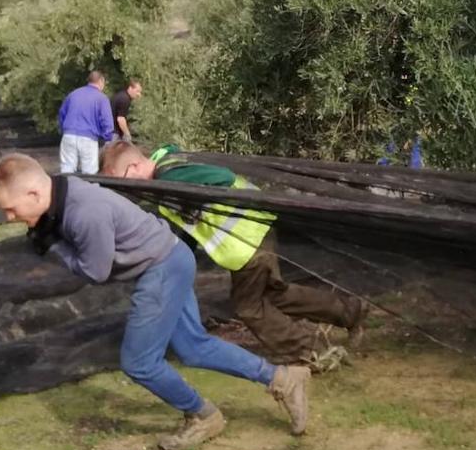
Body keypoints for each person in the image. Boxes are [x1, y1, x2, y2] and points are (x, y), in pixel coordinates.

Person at [0, 153, 311, 450]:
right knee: (194, 347)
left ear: (34, 194)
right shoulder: (63, 194)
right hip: (171, 257)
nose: (8, 217)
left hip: (162, 267)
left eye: (10, 208)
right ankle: (284, 378)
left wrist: (54, 246)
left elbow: (96, 272)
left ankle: (203, 415)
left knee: (139, 362)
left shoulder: (83, 212)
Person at [99, 142, 368, 364]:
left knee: (249, 307)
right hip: (254, 232)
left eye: (122, 182)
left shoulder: (170, 176)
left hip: (246, 243)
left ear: (133, 167)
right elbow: (190, 225)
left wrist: (195, 196)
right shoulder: (168, 167)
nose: (128, 191)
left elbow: (222, 178)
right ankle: (351, 312)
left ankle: (312, 351)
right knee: (276, 295)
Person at [57, 71, 113, 175]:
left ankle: (66, 190)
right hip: (88, 138)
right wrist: (107, 138)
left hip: (69, 135)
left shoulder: (73, 94)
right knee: (89, 173)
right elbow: (106, 121)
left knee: (66, 170)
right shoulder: (101, 98)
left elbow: (62, 114)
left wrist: (63, 129)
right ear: (101, 81)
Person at [110, 79, 143, 143]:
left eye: (140, 92)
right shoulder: (125, 99)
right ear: (130, 88)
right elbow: (120, 119)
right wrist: (127, 134)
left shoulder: (122, 95)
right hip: (113, 133)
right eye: (137, 91)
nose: (139, 95)